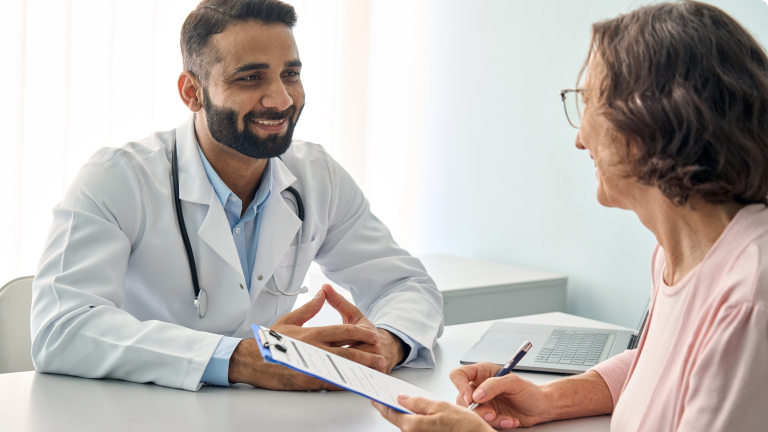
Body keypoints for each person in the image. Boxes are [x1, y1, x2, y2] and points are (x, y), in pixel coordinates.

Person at [372, 1, 768, 430]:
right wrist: (550, 399)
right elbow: (668, 368)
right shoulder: (680, 257)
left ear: (649, 121)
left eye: (589, 102)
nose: (580, 139)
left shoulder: (750, 299)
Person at [30, 0, 444, 392]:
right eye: (250, 77)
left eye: (291, 74)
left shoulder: (317, 176)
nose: (282, 99)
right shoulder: (118, 179)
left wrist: (388, 342)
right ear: (192, 92)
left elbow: (406, 284)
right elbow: (61, 328)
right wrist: (241, 359)